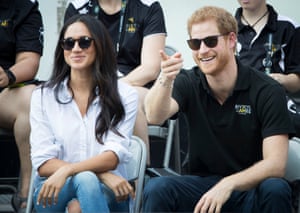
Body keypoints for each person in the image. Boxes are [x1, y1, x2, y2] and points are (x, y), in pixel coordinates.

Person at [143, 6, 294, 213]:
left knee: (276, 188)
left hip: (250, 188)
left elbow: (276, 164)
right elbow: (153, 115)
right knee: (158, 188)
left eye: (210, 41)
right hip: (202, 188)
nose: (202, 50)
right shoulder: (189, 81)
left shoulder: (267, 89)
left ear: (232, 40)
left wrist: (228, 184)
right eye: (195, 43)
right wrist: (165, 78)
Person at [29, 14, 138, 212]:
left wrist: (70, 169)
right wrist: (102, 174)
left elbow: (112, 156)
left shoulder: (125, 95)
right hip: (53, 191)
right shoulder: (43, 96)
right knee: (85, 181)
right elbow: (43, 162)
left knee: (80, 199)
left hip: (111, 192)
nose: (76, 49)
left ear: (100, 45)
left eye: (85, 42)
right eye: (69, 43)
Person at [64, 0, 167, 164]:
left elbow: (151, 68)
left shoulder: (148, 6)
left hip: (136, 84)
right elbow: (70, 56)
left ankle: (138, 178)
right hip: (89, 82)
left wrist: (112, 87)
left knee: (126, 97)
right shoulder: (78, 6)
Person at [0, 0, 43, 212]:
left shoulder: (23, 7)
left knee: (32, 98)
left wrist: (8, 76)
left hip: (5, 91)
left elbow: (29, 60)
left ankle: (26, 194)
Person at [234, 0, 300, 137]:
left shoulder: (289, 27)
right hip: (236, 107)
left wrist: (277, 80)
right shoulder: (225, 28)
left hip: (274, 104)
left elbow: (297, 82)